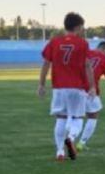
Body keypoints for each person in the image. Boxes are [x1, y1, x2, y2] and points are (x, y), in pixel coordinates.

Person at [38, 12, 95, 161]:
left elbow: (45, 64)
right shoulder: (83, 43)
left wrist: (41, 84)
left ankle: (60, 151)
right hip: (77, 87)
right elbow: (88, 66)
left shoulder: (54, 42)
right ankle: (70, 137)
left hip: (59, 87)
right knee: (77, 118)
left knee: (61, 118)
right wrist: (92, 86)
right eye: (82, 27)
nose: (83, 30)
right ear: (77, 27)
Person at [77, 40, 105, 150]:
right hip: (90, 89)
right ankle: (81, 143)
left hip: (73, 87)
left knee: (74, 116)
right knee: (93, 116)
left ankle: (68, 139)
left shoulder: (86, 52)